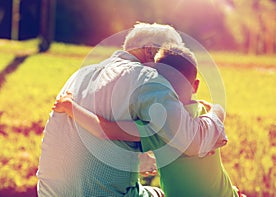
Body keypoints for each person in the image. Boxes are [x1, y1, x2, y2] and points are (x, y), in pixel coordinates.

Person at [37, 23, 226, 196]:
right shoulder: (149, 78)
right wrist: (217, 111)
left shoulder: (80, 75)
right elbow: (192, 140)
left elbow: (103, 129)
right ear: (151, 52)